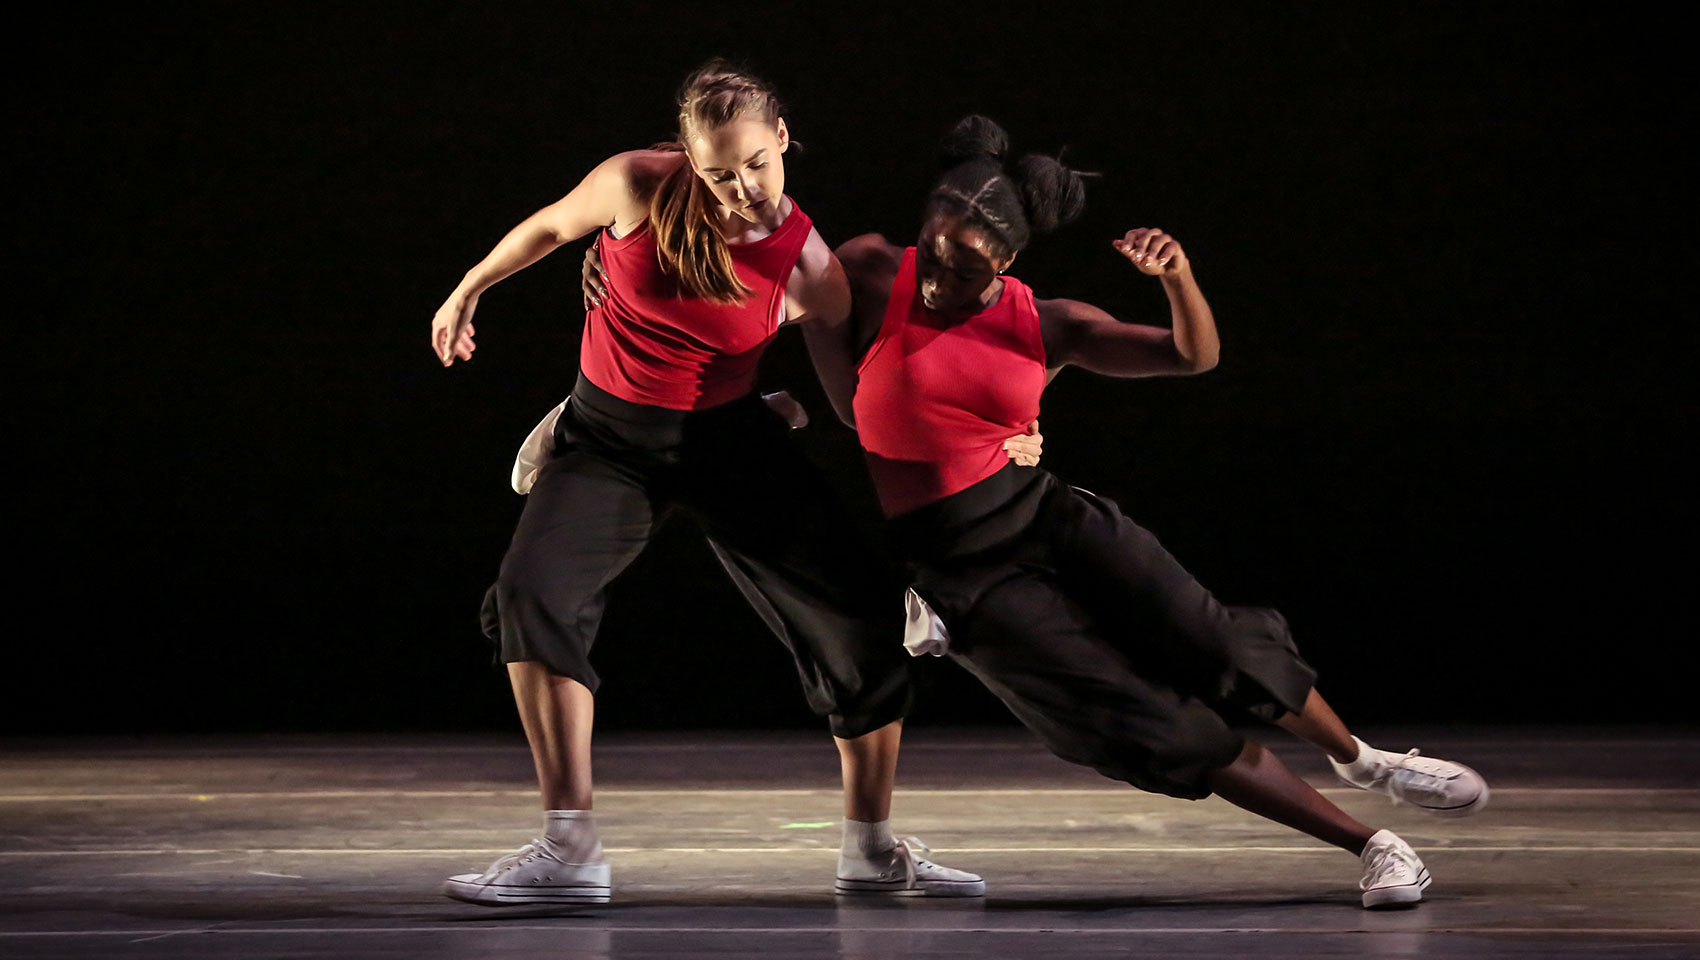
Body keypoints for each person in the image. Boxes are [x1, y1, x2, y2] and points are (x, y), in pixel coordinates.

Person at [809, 115, 1486, 909]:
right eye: (933, 252)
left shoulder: (1047, 322)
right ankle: (1375, 845)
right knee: (1148, 721)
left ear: (1008, 261)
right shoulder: (867, 267)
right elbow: (853, 402)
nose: (938, 280)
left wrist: (1176, 276)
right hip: (964, 573)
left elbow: (1191, 355)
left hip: (1045, 516)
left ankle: (1365, 761)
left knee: (1210, 638)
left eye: (965, 270)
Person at [427, 65, 1031, 905]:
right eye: (717, 172)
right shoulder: (635, 184)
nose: (740, 188)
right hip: (608, 437)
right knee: (533, 592)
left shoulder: (810, 267)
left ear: (781, 138)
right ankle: (569, 849)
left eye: (755, 163)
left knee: (862, 621)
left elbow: (858, 409)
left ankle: (872, 850)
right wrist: (468, 292)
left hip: (724, 441)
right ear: (687, 156)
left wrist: (994, 425)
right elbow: (549, 229)